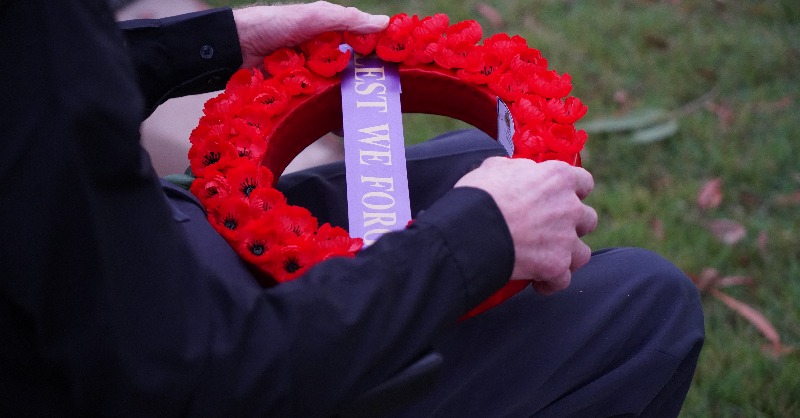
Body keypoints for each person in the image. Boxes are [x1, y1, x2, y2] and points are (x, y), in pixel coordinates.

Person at [0, 1, 704, 416]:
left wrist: (206, 46)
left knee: (469, 161)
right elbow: (190, 376)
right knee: (647, 306)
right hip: (188, 364)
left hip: (135, 263)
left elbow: (32, 98)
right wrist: (476, 237)